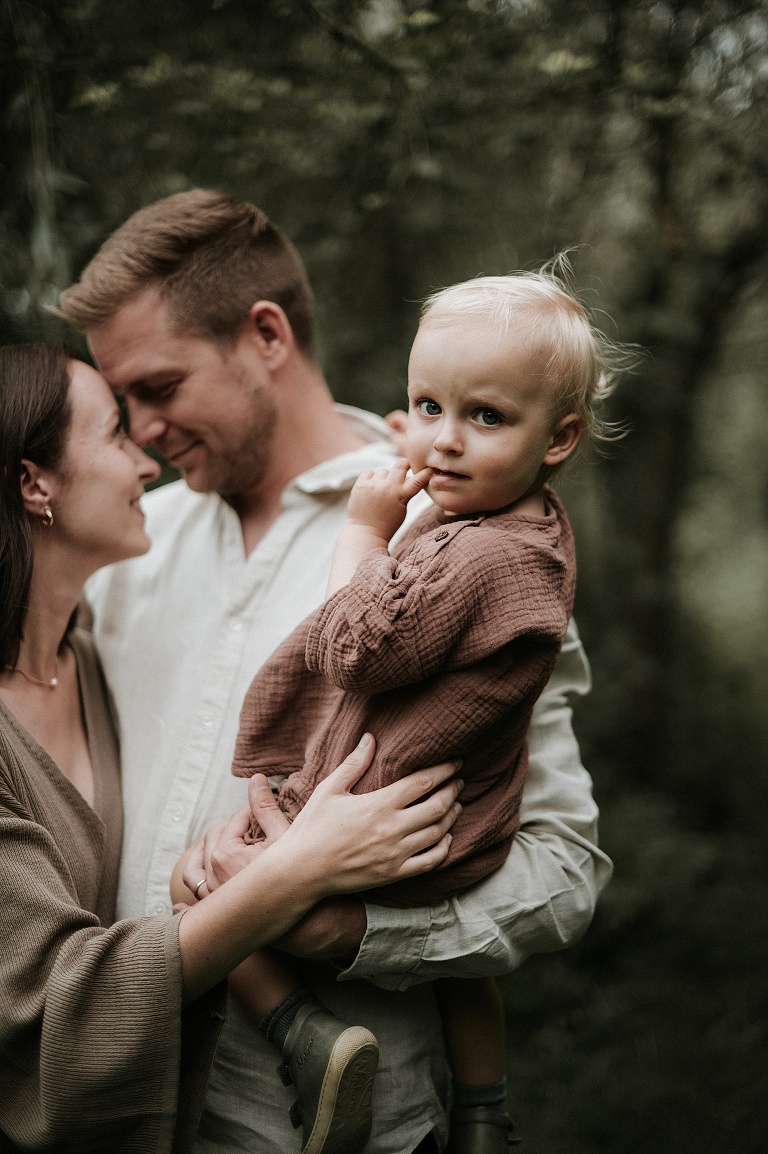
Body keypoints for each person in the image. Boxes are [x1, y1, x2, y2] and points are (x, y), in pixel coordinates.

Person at [58, 189, 613, 1154]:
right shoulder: (125, 546)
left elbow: (564, 869)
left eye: (161, 387)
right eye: (123, 403)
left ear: (266, 335)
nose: (142, 430)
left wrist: (352, 933)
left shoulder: (463, 544)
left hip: (347, 1134)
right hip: (128, 1113)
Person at [0, 344, 462, 1153]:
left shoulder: (88, 663)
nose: (147, 463)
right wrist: (303, 867)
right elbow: (60, 999)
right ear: (35, 484)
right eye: (115, 433)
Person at [207, 269, 607, 1154]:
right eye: (429, 406)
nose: (445, 442)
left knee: (201, 887)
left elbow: (355, 647)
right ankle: (483, 1110)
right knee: (461, 977)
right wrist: (444, 451)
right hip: (464, 826)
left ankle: (304, 1036)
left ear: (560, 438)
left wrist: (364, 530)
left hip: (382, 820)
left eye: (486, 416)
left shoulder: (483, 559)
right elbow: (454, 525)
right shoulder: (530, 524)